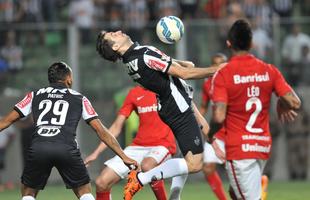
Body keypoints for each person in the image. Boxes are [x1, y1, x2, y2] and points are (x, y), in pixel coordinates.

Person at [96, 30, 221, 200]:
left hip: (172, 104)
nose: (118, 31)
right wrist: (219, 70)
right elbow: (184, 73)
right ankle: (142, 178)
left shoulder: (132, 59)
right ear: (116, 46)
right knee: (195, 163)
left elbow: (179, 66)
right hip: (177, 106)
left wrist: (178, 62)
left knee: (190, 156)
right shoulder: (144, 55)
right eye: (113, 35)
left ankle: (172, 196)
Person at [0, 62, 138, 200]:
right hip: (66, 148)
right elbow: (101, 131)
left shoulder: (34, 95)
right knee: (85, 193)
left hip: (39, 147)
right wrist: (123, 156)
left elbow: (6, 121)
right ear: (68, 79)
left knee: (28, 193)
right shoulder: (79, 98)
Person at [208, 19, 301, 200]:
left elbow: (218, 117)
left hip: (239, 151)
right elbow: (294, 102)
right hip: (261, 146)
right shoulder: (269, 70)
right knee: (235, 193)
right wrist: (281, 103)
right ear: (251, 43)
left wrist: (210, 135)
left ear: (228, 43)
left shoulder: (224, 74)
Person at [84, 85, 177, 200]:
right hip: (138, 146)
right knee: (102, 182)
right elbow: (116, 127)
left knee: (147, 165)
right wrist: (96, 153)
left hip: (163, 145)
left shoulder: (167, 87)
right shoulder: (134, 93)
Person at [200, 53, 228, 200]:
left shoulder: (232, 81)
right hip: (216, 132)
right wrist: (196, 119)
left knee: (237, 171)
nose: (218, 67)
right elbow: (204, 106)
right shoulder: (207, 84)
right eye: (214, 64)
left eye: (221, 63)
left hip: (232, 132)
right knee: (208, 167)